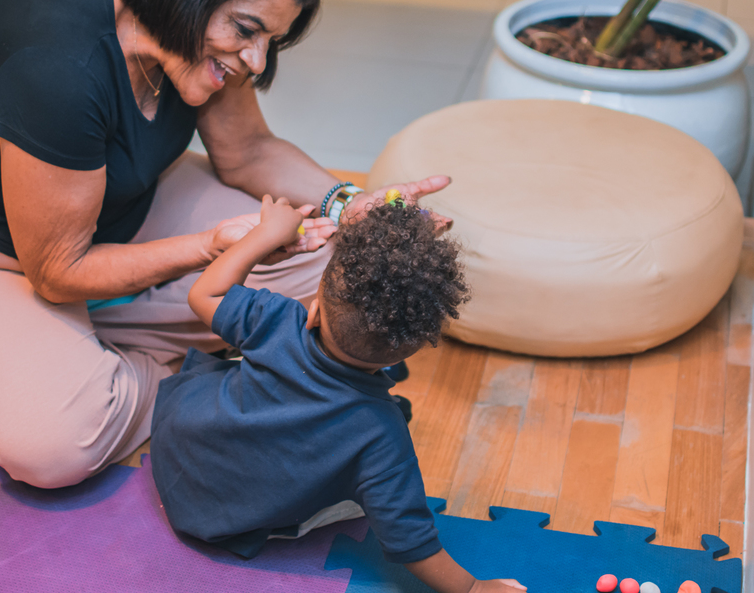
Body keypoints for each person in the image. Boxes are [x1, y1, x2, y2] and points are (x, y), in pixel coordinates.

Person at [0, 0, 450, 489]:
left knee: (336, 261)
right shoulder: (57, 66)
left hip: (127, 203)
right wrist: (212, 249)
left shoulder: (195, 23)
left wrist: (349, 205)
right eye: (247, 31)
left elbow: (247, 150)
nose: (257, 61)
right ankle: (224, 387)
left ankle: (108, 352)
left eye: (269, 41)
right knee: (51, 447)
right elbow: (56, 272)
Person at [151, 197, 525, 593]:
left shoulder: (277, 321)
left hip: (176, 446)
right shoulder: (383, 435)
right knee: (368, 488)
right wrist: (472, 588)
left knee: (236, 363)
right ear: (411, 349)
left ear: (313, 313)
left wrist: (266, 234)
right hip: (229, 524)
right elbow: (410, 539)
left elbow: (205, 295)